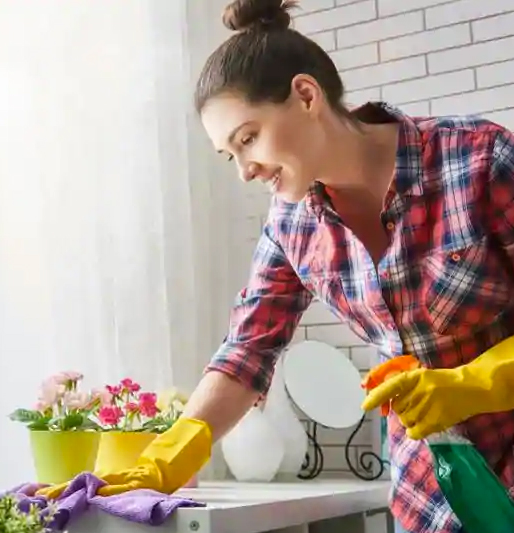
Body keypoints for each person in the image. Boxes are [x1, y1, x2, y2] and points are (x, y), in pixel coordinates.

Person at [37, 0, 514, 531]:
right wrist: (165, 458)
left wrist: (475, 383)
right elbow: (248, 349)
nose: (244, 170)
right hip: (430, 495)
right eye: (230, 154)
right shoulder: (292, 225)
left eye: (248, 138)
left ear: (306, 95)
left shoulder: (475, 159)